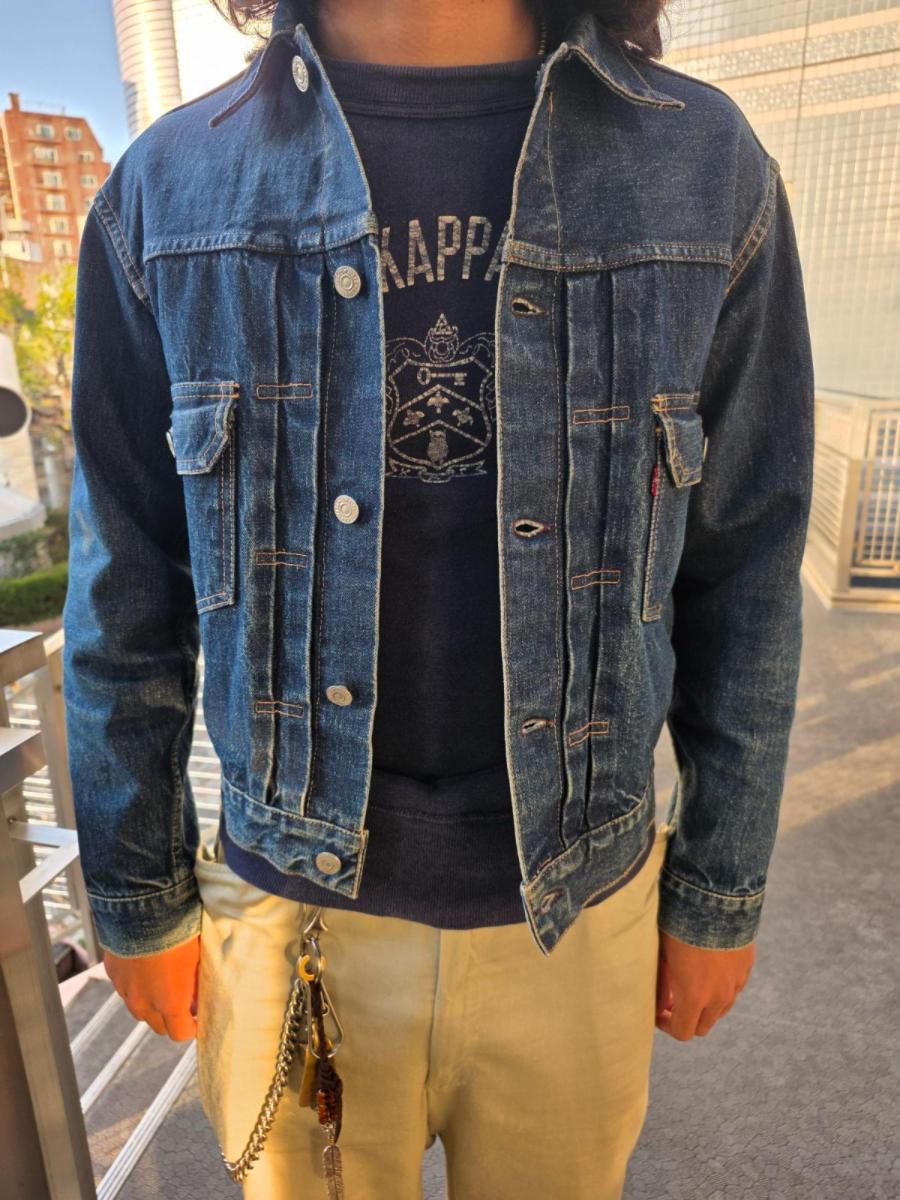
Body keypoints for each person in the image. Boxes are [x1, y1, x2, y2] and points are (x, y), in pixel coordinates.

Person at [62, 0, 815, 1196]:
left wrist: (720, 890)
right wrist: (136, 891)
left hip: (581, 911)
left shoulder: (702, 165)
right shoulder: (169, 189)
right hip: (286, 913)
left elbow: (747, 561)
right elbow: (125, 578)